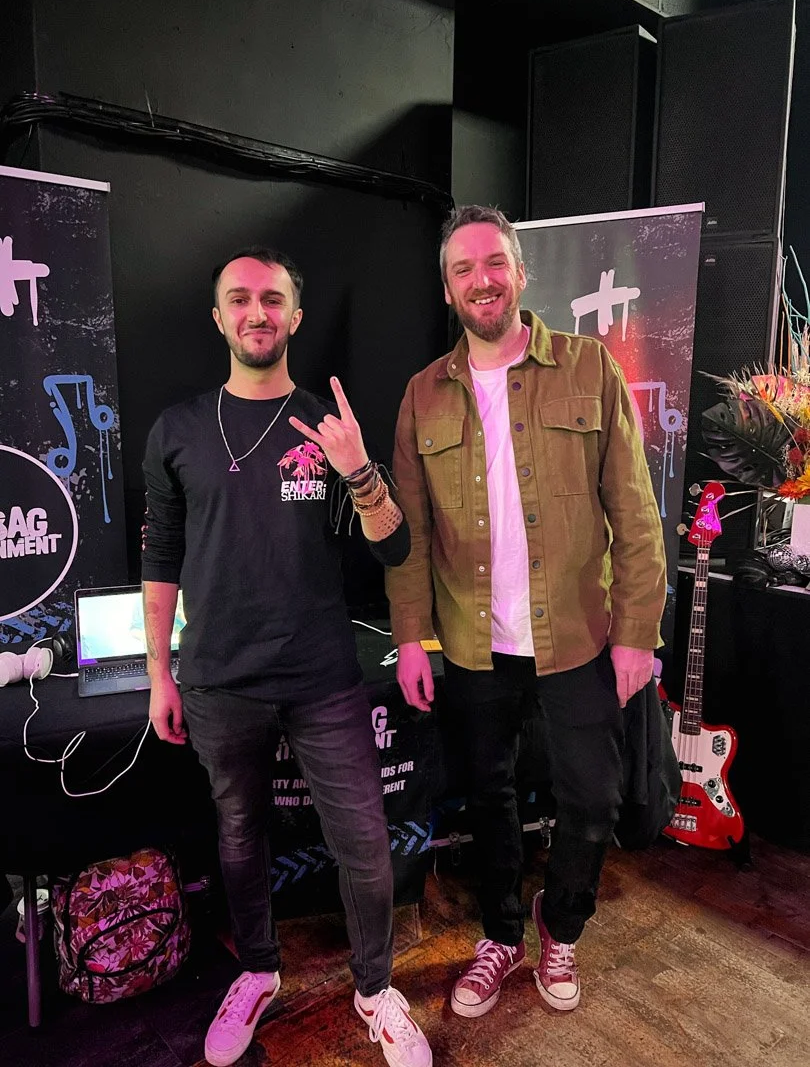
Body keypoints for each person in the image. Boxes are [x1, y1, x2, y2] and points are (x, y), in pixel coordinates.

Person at [141, 246, 432, 1067]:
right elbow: (160, 554)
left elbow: (396, 545)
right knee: (238, 833)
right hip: (217, 680)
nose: (257, 312)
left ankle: (375, 990)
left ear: (295, 317)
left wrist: (360, 471)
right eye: (240, 299)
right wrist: (160, 670)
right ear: (219, 317)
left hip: (322, 679)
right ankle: (260, 971)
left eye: (273, 299)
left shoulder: (327, 426)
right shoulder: (178, 429)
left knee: (366, 846)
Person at [386, 205, 666, 1019]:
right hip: (474, 644)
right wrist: (410, 639)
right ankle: (501, 932)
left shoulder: (588, 367)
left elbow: (637, 517)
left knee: (592, 801)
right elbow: (409, 537)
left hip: (580, 635)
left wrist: (637, 636)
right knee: (488, 799)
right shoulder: (420, 397)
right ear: (448, 287)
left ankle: (561, 924)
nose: (483, 279)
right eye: (465, 268)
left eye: (495, 263)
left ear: (520, 272)